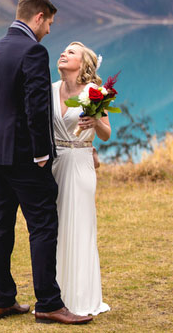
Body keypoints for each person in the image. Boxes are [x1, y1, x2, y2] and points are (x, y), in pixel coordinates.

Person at [0, 0, 93, 325]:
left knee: (0, 225)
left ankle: (3, 300)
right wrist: (42, 154)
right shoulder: (33, 51)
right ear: (38, 17)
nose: (50, 31)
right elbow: (36, 106)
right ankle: (49, 303)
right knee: (42, 225)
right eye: (50, 23)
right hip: (24, 154)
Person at [52, 41, 111, 317]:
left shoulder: (95, 93)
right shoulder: (50, 89)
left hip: (80, 164)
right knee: (54, 229)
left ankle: (80, 298)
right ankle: (54, 296)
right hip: (53, 165)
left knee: (79, 227)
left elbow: (106, 133)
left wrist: (95, 122)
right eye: (64, 51)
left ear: (84, 64)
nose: (64, 53)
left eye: (71, 52)